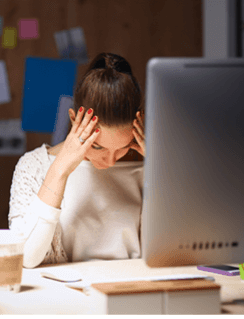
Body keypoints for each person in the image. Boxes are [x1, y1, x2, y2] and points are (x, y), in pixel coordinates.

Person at [8, 52, 146, 268]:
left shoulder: (146, 166)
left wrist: (161, 168)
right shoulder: (33, 166)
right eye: (97, 146)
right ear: (74, 120)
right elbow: (26, 257)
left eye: (122, 148)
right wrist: (59, 170)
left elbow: (182, 252)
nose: (110, 160)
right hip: (64, 297)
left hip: (133, 292)